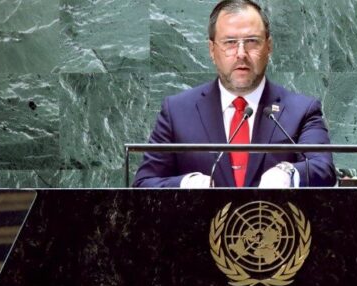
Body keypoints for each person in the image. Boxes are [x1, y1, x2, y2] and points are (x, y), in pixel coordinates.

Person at [133, 0, 335, 188]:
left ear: (269, 47)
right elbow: (144, 182)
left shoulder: (301, 111)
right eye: (230, 42)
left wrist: (287, 173)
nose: (241, 53)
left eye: (252, 41)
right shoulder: (177, 111)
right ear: (212, 50)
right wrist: (186, 184)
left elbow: (323, 168)